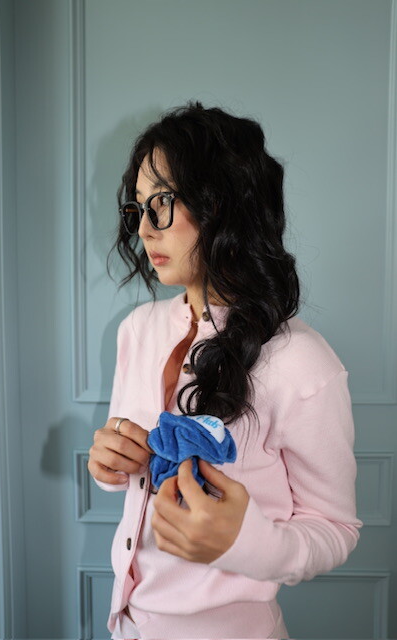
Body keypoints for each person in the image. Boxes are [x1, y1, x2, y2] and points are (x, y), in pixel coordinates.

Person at [88, 101, 363, 640]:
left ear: (222, 204)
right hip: (127, 625)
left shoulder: (302, 363)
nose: (143, 228)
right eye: (138, 207)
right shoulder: (136, 330)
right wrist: (111, 465)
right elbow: (133, 479)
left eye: (161, 202)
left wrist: (246, 543)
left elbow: (336, 528)